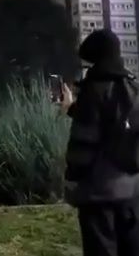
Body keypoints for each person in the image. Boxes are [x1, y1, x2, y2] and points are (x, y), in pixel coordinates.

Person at [61, 29, 139, 256]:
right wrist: (73, 109)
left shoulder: (93, 89)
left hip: (98, 194)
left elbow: (84, 142)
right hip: (131, 192)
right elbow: (115, 121)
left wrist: (72, 177)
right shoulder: (132, 86)